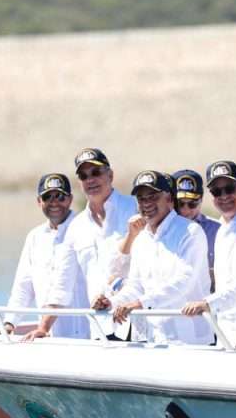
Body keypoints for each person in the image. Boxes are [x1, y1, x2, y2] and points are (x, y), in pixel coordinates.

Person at [96, 170, 213, 344]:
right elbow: (135, 285)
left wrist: (140, 303)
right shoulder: (141, 238)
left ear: (170, 199)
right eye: (142, 199)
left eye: (153, 197)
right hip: (147, 338)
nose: (147, 203)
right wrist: (112, 303)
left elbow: (184, 281)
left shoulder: (190, 232)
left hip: (186, 339)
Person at [180, 160, 236, 346]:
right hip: (225, 334)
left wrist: (210, 303)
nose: (224, 196)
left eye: (229, 188)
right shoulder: (222, 228)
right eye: (217, 191)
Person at [0, 173, 90, 340]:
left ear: (70, 199)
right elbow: (23, 288)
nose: (54, 202)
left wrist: (43, 328)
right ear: (39, 201)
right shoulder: (35, 237)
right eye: (47, 197)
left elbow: (62, 287)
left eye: (60, 196)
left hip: (86, 337)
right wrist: (9, 324)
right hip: (47, 338)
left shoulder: (83, 228)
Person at [56, 147, 139, 325]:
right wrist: (43, 327)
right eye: (84, 176)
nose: (90, 180)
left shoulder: (136, 207)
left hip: (138, 322)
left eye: (96, 172)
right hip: (99, 326)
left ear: (110, 175)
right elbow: (62, 284)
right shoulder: (76, 226)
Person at [172, 169, 220, 289]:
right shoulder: (159, 230)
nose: (185, 210)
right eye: (180, 204)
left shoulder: (217, 230)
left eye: (192, 204)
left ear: (201, 200)